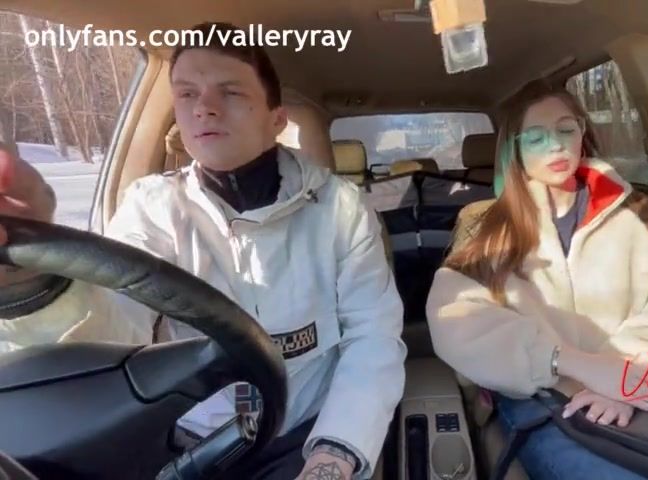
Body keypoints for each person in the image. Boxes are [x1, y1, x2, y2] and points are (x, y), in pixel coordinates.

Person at [0, 22, 406, 480]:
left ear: (276, 119)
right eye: (187, 94)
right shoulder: (152, 206)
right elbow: (112, 329)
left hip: (309, 432)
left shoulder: (341, 208)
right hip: (185, 442)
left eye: (230, 92)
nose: (204, 108)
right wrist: (33, 279)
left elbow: (372, 337)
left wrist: (334, 456)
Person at [425, 81, 648, 479]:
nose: (556, 146)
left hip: (639, 386)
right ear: (514, 148)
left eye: (566, 130)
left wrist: (622, 381)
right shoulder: (485, 227)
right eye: (536, 137)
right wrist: (570, 363)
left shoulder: (642, 215)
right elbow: (457, 319)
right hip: (540, 397)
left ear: (583, 132)